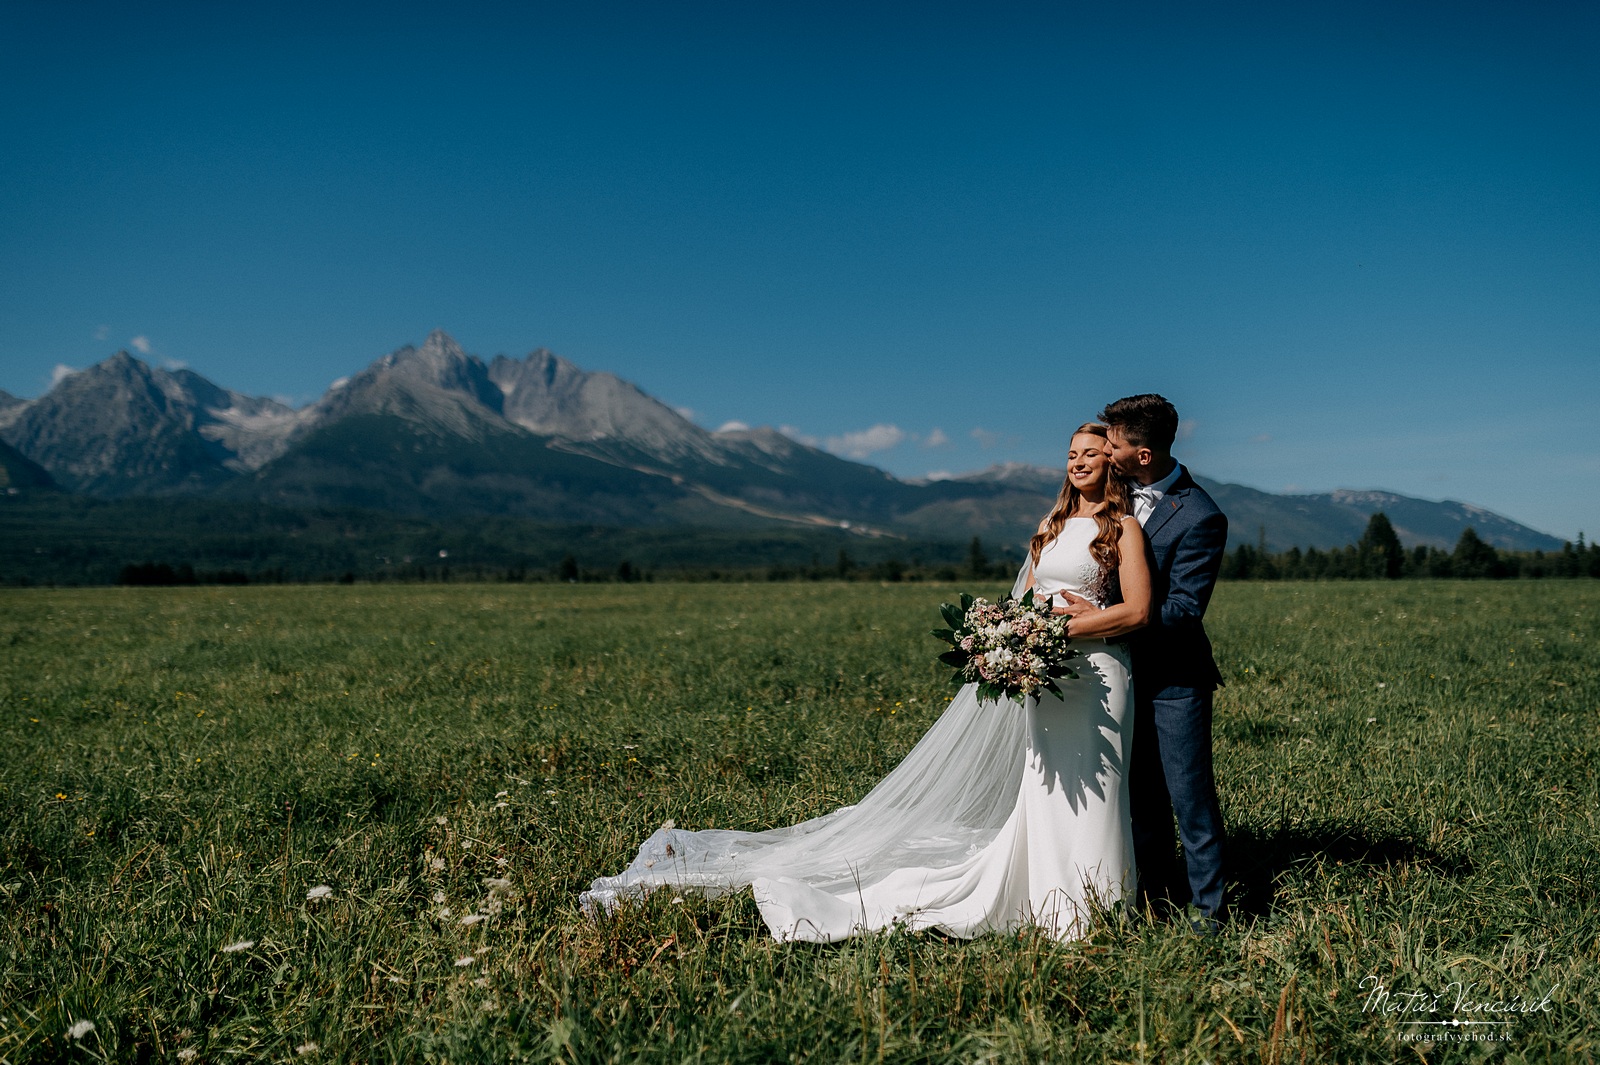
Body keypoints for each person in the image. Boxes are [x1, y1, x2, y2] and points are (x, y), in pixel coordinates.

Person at [582, 424, 1153, 942]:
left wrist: (1065, 624)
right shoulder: (1049, 527)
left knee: (1097, 790)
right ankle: (1047, 900)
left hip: (1098, 676)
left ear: (1113, 463)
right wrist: (1010, 634)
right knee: (1046, 787)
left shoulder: (1122, 529)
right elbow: (1025, 600)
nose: (1078, 463)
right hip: (1044, 675)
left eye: (1092, 454)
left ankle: (1091, 908)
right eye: (1072, 454)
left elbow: (1137, 614)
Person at [1057, 394, 1228, 930]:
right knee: (1137, 795)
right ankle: (1152, 898)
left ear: (1143, 454)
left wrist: (1112, 614)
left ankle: (1210, 912)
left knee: (1189, 796)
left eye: (1113, 441)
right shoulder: (1112, 494)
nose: (1104, 448)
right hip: (1112, 675)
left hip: (1174, 679)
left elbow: (1183, 610)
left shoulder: (1201, 516)